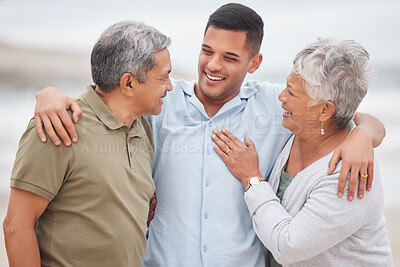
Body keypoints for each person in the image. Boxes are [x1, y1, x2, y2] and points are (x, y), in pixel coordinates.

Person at [32, 4, 385, 266]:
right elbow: (107, 100)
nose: (213, 65)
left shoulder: (278, 105)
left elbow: (338, 114)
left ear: (255, 62)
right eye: (207, 51)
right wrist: (48, 94)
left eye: (230, 57)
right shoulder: (160, 103)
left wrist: (363, 134)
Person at [3, 21, 172, 266]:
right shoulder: (59, 126)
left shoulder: (142, 128)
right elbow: (16, 227)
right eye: (164, 77)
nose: (170, 86)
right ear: (128, 83)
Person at [211, 38, 393, 266]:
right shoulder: (302, 127)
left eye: (292, 93)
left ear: (325, 110)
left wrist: (251, 178)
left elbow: (288, 247)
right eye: (286, 86)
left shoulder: (349, 174)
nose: (281, 97)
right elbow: (365, 120)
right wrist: (366, 132)